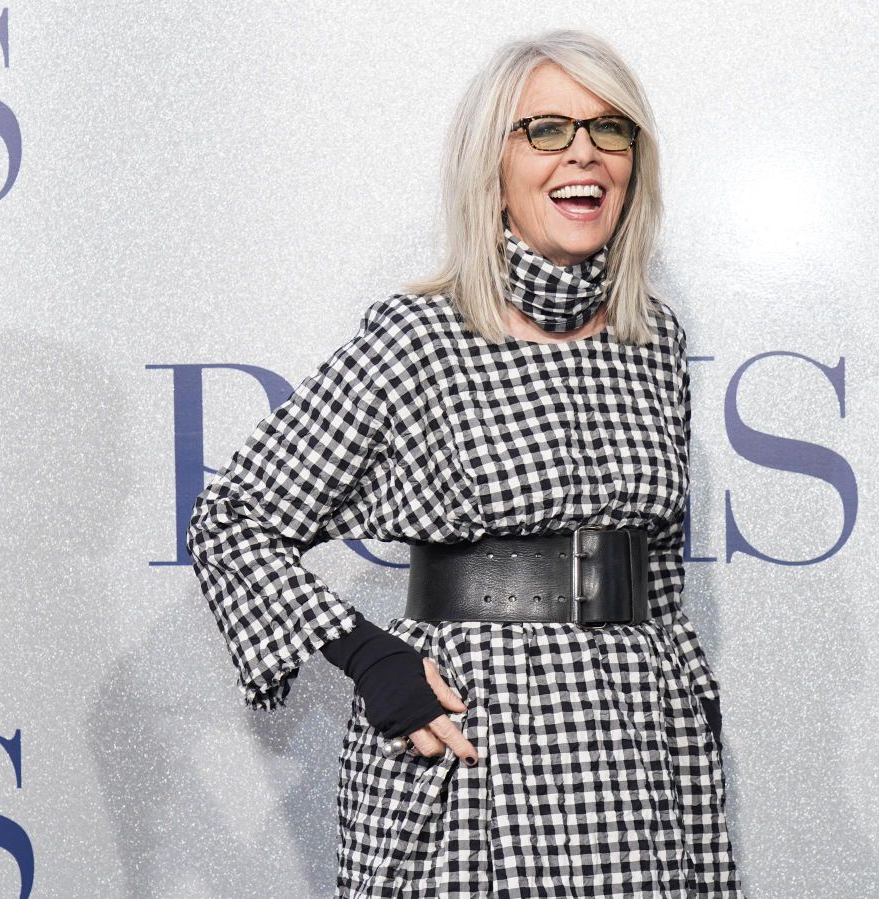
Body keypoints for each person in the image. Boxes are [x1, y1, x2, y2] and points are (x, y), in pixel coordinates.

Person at [186, 27, 744, 898]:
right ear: (493, 165)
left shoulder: (654, 340)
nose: (585, 153)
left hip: (639, 751)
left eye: (610, 128)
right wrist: (371, 658)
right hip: (475, 742)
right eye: (547, 129)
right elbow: (232, 519)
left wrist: (687, 694)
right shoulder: (420, 338)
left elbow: (655, 565)